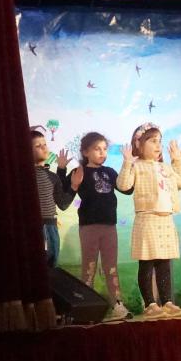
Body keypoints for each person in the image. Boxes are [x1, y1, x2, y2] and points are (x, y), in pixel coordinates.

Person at [118, 125, 181, 318]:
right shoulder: (137, 165)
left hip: (165, 218)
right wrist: (127, 163)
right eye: (153, 141)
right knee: (147, 262)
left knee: (164, 262)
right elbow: (123, 185)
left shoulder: (165, 167)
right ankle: (150, 304)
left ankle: (167, 302)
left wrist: (177, 160)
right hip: (147, 217)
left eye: (160, 141)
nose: (158, 145)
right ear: (140, 144)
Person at [63, 131, 130, 320]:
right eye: (97, 149)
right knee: (89, 267)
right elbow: (63, 194)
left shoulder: (110, 172)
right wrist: (61, 170)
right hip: (89, 226)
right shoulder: (79, 172)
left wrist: (128, 164)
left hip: (109, 226)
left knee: (111, 267)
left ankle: (117, 304)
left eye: (104, 149)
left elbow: (127, 189)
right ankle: (86, 306)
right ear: (85, 152)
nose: (102, 153)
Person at [31, 129, 74, 268]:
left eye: (44, 144)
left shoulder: (53, 177)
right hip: (34, 226)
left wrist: (74, 187)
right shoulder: (24, 175)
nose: (44, 148)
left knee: (51, 265)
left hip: (51, 226)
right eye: (38, 146)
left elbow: (63, 204)